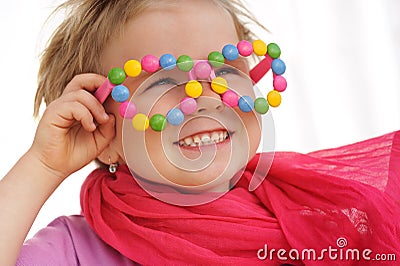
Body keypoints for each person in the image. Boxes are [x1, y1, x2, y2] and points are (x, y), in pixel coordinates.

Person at [0, 0, 399, 265]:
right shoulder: (76, 251)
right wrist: (42, 166)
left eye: (225, 69)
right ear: (100, 128)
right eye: (161, 80)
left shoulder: (322, 216)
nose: (205, 95)